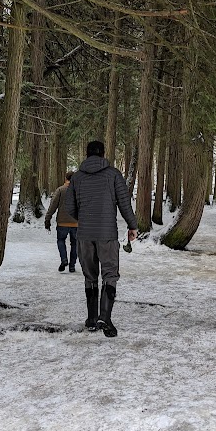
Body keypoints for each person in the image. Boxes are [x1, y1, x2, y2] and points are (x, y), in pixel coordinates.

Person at [66, 140, 138, 337]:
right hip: (107, 235)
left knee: (90, 276)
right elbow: (124, 203)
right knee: (110, 274)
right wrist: (132, 225)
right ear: (103, 154)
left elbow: (69, 207)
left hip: (84, 235)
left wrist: (84, 219)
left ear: (87, 154)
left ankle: (91, 319)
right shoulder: (113, 175)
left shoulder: (77, 178)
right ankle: (104, 317)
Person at [45, 171, 78, 273]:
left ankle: (64, 259)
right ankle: (72, 266)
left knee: (61, 241)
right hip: (76, 223)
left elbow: (53, 206)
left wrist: (48, 219)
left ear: (65, 179)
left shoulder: (60, 190)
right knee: (75, 244)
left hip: (62, 222)